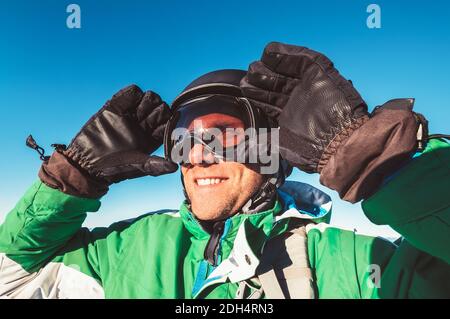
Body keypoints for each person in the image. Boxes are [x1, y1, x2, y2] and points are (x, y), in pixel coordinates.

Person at [0, 42, 449, 299]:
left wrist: (384, 167)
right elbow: (10, 281)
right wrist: (71, 181)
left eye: (221, 135)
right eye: (182, 139)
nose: (197, 155)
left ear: (273, 147)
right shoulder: (122, 251)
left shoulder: (349, 263)